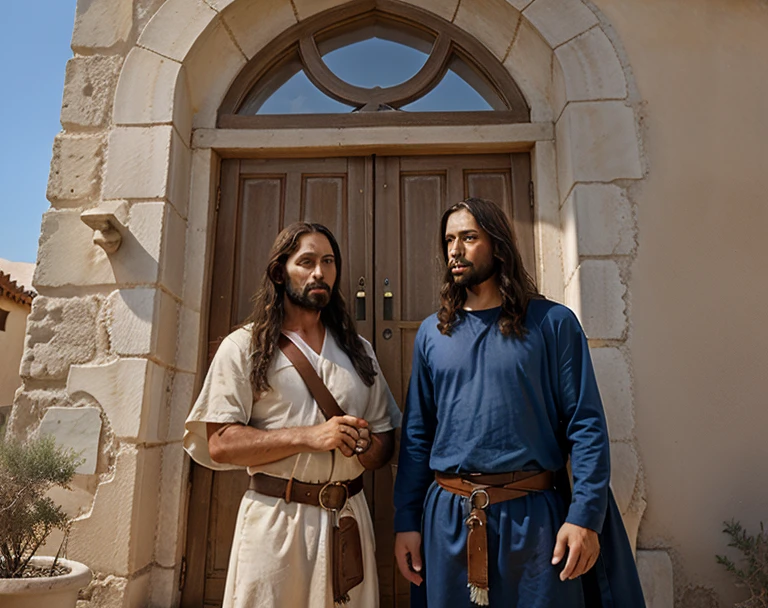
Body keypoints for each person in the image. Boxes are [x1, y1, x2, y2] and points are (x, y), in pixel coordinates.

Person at [392, 198, 645, 607]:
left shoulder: (552, 323)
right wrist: (406, 520)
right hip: (449, 521)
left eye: (469, 238)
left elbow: (586, 425)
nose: (455, 249)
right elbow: (418, 435)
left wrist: (584, 516)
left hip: (535, 522)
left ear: (499, 245)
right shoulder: (431, 334)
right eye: (449, 240)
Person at [184, 222, 401, 608]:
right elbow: (220, 444)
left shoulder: (359, 351)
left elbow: (385, 440)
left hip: (348, 521)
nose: (320, 272)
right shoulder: (244, 346)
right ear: (279, 272)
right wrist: (309, 436)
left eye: (329, 262)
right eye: (307, 261)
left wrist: (366, 446)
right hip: (275, 523)